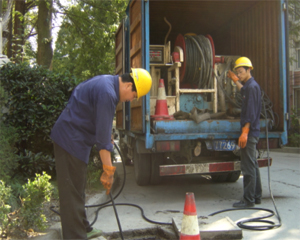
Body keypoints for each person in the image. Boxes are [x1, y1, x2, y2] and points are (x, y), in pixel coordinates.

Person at [50, 68, 152, 239]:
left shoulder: (106, 83)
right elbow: (103, 144)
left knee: (77, 189)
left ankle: (84, 228)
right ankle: (76, 236)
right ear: (128, 86)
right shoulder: (108, 93)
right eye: (134, 96)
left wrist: (105, 137)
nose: (130, 100)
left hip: (75, 140)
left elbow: (100, 128)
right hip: (69, 141)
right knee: (71, 194)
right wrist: (109, 171)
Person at [227, 57, 262, 208]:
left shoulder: (253, 87)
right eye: (237, 73)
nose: (239, 75)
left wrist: (245, 132)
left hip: (250, 132)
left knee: (248, 168)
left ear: (249, 70)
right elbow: (243, 90)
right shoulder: (248, 86)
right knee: (253, 165)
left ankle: (248, 201)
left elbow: (251, 112)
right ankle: (256, 196)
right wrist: (235, 80)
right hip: (251, 131)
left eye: (240, 72)